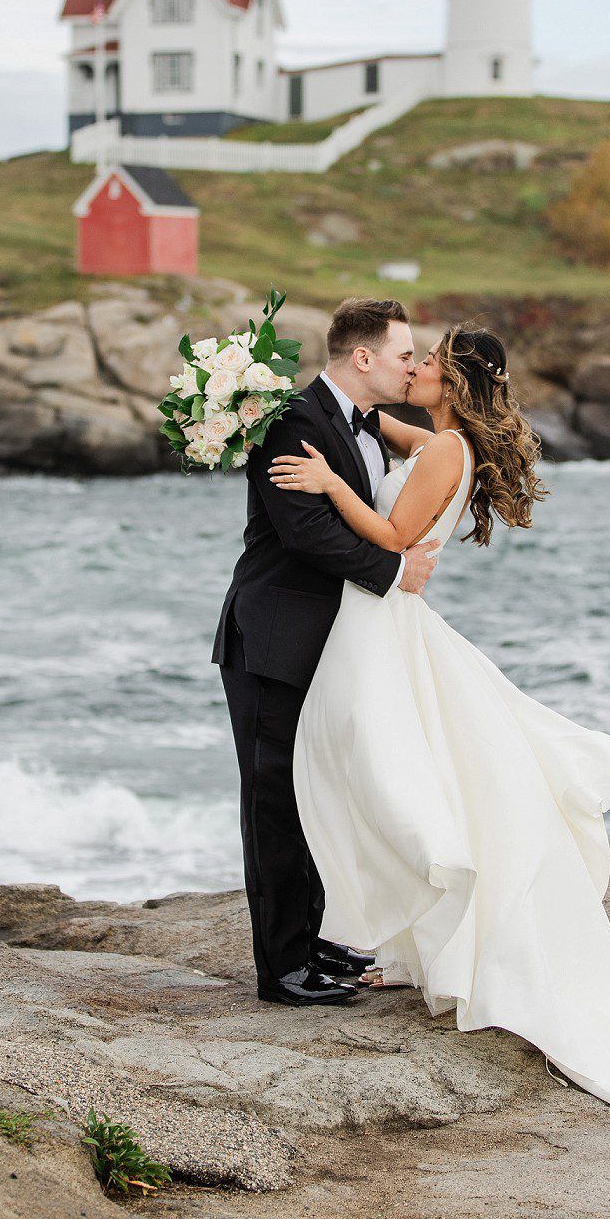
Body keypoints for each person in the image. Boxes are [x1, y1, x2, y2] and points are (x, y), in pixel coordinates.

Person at [269, 325, 610, 1114]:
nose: (414, 367)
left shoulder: (447, 453)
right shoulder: (435, 439)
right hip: (375, 623)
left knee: (374, 772)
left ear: (451, 382)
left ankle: (397, 918)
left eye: (426, 363)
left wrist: (328, 483)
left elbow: (391, 536)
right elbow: (364, 420)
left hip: (378, 626)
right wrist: (291, 408)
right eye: (409, 357)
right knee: (367, 766)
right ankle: (386, 929)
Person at [212, 298, 439, 1007]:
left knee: (313, 792)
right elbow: (306, 532)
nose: (413, 365)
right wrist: (396, 574)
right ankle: (281, 969)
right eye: (405, 354)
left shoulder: (367, 422)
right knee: (275, 798)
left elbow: (431, 461)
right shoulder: (291, 422)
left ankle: (308, 940)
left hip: (328, 641)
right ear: (362, 358)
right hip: (273, 639)